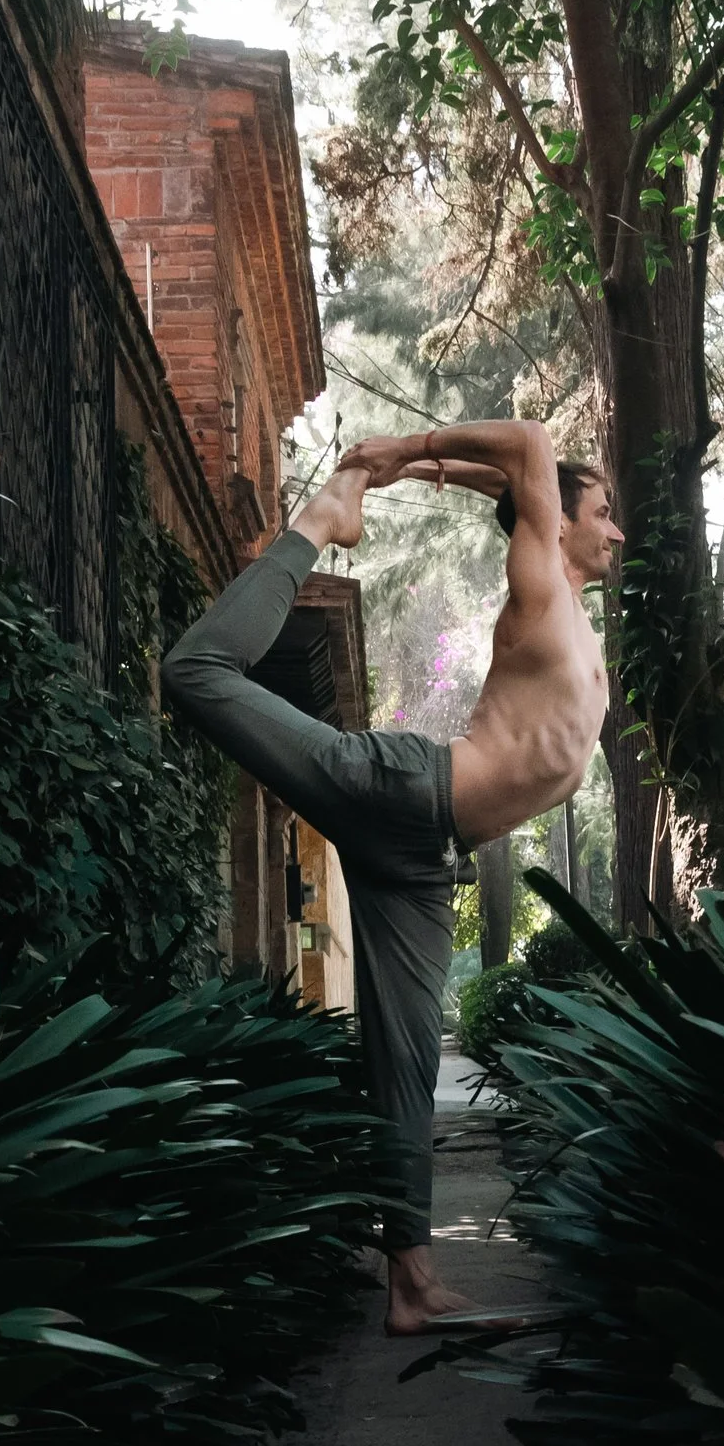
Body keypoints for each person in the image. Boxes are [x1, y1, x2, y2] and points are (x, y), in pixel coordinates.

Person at [158, 419, 621, 1334]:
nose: (617, 532)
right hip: (406, 792)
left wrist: (448, 474)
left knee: (405, 1069)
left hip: (421, 860)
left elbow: (518, 481)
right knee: (196, 671)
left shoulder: (576, 616)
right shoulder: (540, 592)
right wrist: (393, 458)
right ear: (553, 523)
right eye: (603, 513)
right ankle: (317, 523)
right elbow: (530, 443)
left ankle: (411, 1284)